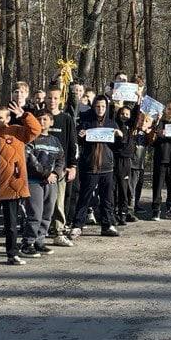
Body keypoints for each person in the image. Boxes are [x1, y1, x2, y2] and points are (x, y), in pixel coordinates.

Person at [0, 102, 41, 266]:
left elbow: (35, 130)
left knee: (11, 224)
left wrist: (24, 115)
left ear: (7, 118)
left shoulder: (17, 132)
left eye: (1, 117)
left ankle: (12, 253)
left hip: (12, 186)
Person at [71, 95, 121, 238]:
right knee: (84, 197)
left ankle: (107, 225)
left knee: (107, 199)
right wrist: (80, 135)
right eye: (98, 106)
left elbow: (118, 147)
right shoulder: (86, 123)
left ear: (107, 108)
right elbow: (77, 141)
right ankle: (77, 225)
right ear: (94, 107)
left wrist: (120, 135)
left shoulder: (111, 124)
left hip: (107, 167)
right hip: (89, 166)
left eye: (103, 107)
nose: (100, 109)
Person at [22, 108, 65, 259]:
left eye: (45, 119)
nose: (42, 122)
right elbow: (30, 161)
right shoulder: (31, 139)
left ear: (51, 122)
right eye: (39, 119)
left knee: (47, 213)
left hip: (51, 183)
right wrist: (45, 174)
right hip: (34, 181)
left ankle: (40, 241)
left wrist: (55, 174)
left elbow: (61, 160)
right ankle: (28, 243)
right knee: (35, 213)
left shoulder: (55, 141)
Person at [42, 86, 78, 246]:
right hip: (40, 168)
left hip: (60, 168)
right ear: (45, 99)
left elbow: (73, 144)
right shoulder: (40, 117)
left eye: (55, 98)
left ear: (60, 100)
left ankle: (58, 232)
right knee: (41, 203)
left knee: (58, 202)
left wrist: (72, 165)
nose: (52, 101)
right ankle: (39, 233)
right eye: (49, 97)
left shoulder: (66, 119)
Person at [146, 99, 171, 220]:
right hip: (161, 159)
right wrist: (158, 134)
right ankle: (156, 210)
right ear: (165, 110)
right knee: (158, 185)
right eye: (169, 109)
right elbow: (152, 142)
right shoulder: (160, 123)